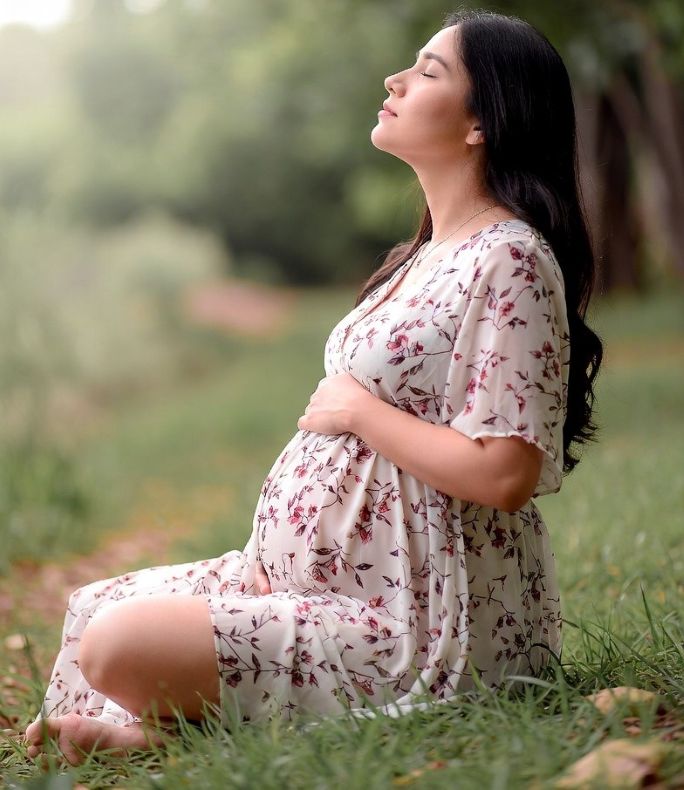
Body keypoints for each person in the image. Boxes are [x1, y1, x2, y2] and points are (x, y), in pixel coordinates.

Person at [23, 8, 603, 766]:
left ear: (480, 123)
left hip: (416, 620)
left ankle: (165, 737)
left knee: (117, 645)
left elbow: (505, 473)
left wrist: (359, 412)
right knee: (94, 606)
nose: (395, 80)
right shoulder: (422, 255)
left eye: (428, 71)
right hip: (301, 582)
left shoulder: (510, 260)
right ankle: (168, 729)